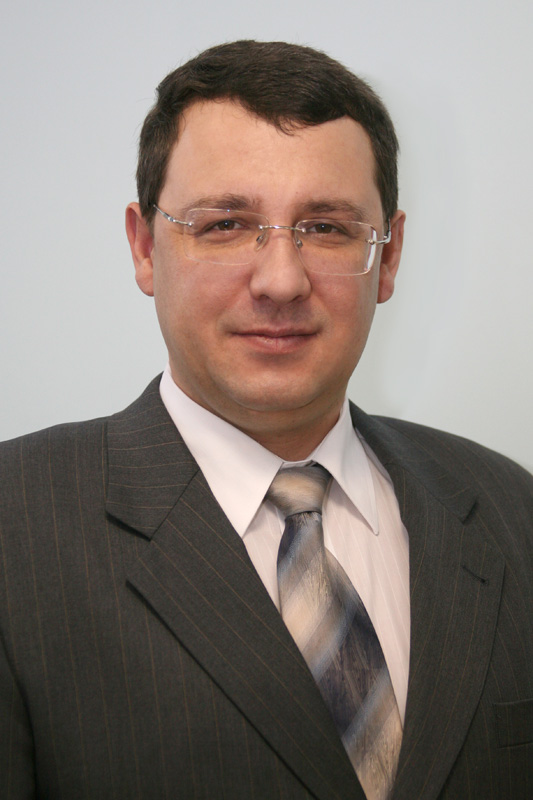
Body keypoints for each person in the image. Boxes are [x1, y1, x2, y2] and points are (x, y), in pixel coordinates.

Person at [0, 40, 531, 800]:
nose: (281, 281)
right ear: (145, 247)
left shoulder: (512, 510)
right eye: (223, 224)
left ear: (387, 259)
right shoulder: (14, 530)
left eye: (327, 228)